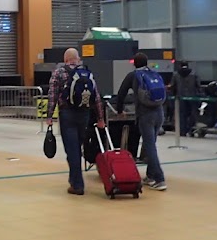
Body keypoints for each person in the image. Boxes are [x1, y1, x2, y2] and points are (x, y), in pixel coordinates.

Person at [46, 48, 106, 196]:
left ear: (65, 59)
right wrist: (100, 118)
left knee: (72, 150)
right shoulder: (87, 73)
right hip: (84, 114)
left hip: (67, 114)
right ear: (77, 59)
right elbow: (97, 97)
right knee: (77, 148)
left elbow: (52, 95)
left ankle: (77, 185)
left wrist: (49, 116)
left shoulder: (59, 73)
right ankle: (74, 180)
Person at [115, 53, 168, 191]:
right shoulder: (154, 74)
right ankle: (150, 176)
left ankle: (159, 179)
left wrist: (119, 110)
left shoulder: (133, 76)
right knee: (150, 145)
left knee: (149, 147)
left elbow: (121, 94)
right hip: (159, 113)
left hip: (145, 115)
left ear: (134, 63)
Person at [170, 63, 201, 136]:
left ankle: (182, 131)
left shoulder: (176, 74)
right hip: (192, 97)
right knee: (192, 113)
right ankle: (191, 129)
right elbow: (198, 85)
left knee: (181, 115)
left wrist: (173, 94)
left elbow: (172, 86)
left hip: (180, 97)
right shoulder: (194, 74)